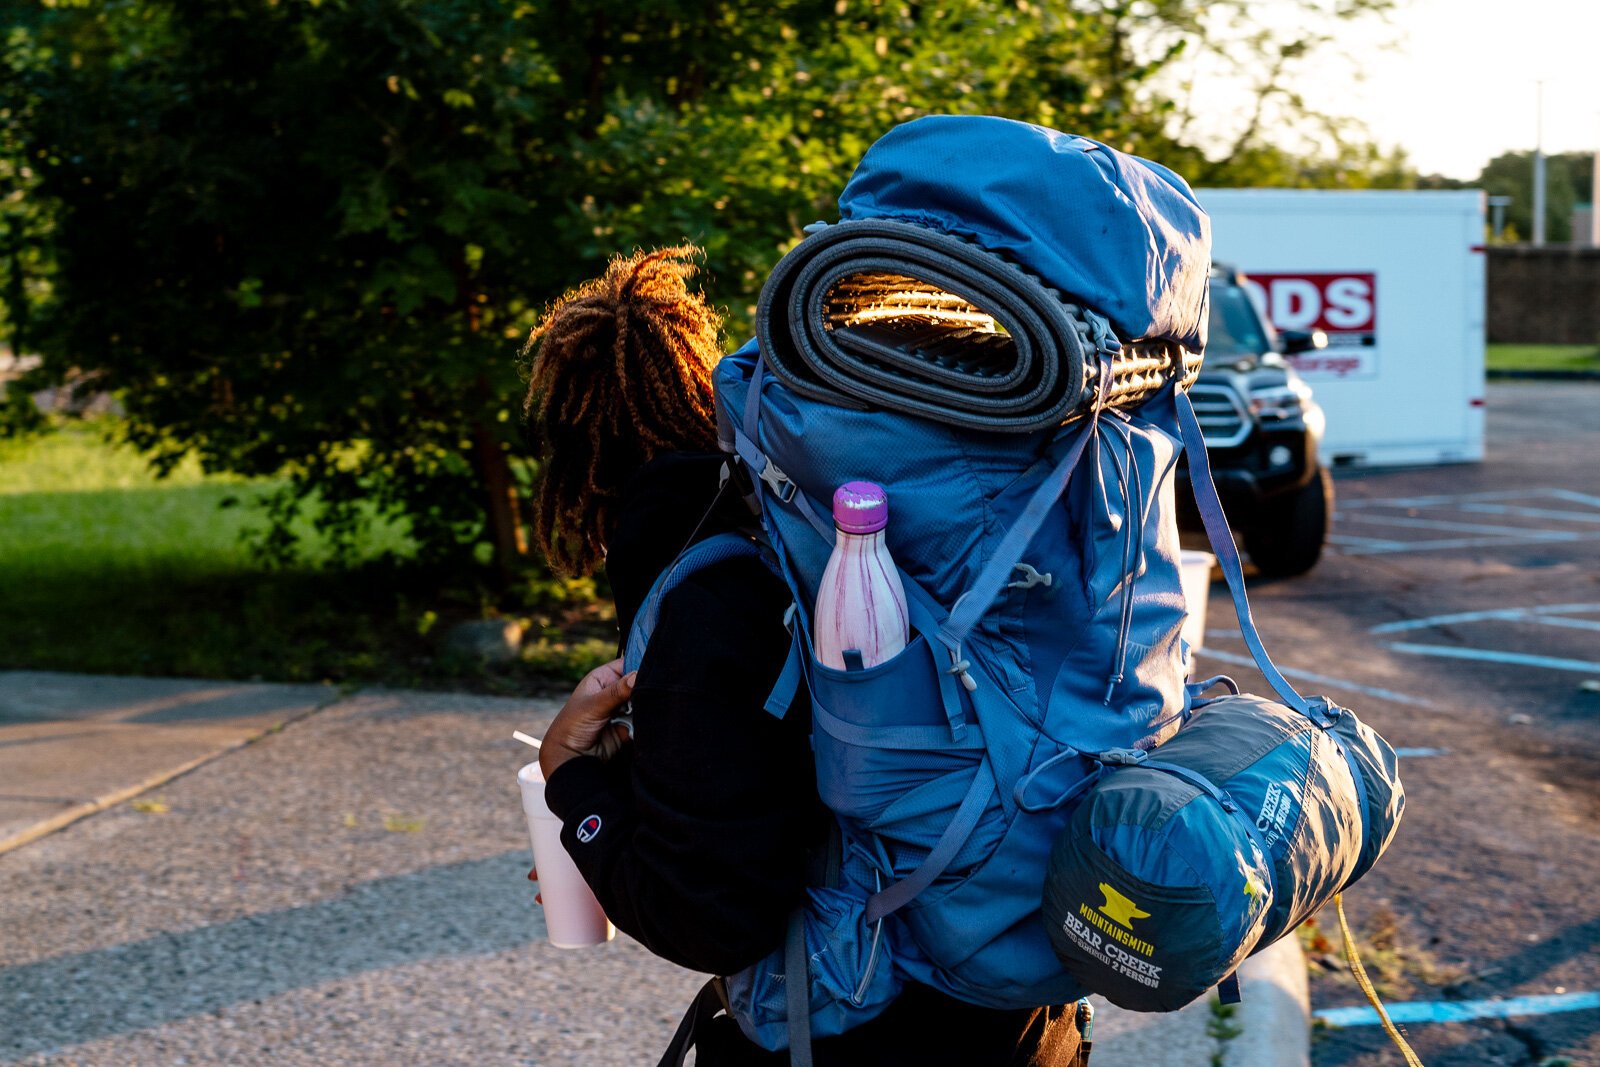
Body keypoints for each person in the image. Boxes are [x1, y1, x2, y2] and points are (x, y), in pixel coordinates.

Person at [522, 245, 1086, 1066]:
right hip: (1028, 1011)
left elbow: (709, 911)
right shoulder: (804, 526)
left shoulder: (707, 603)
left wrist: (576, 787)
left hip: (879, 1032)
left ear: (582, 468)